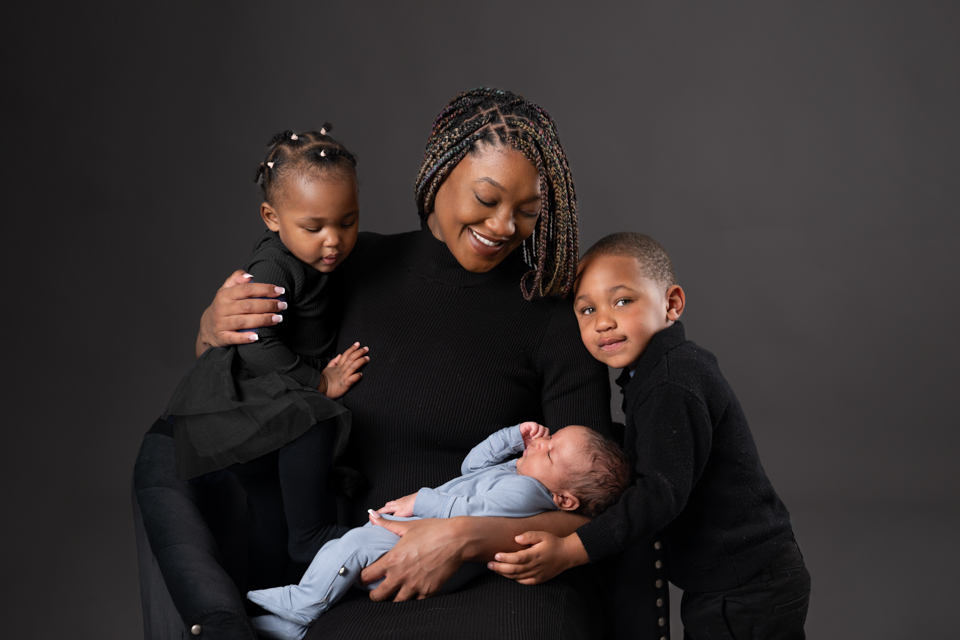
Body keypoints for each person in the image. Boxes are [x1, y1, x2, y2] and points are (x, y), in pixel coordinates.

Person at [133, 88, 664, 640]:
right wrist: (211, 333)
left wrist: (463, 539)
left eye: (527, 211)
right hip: (361, 573)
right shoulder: (347, 268)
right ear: (439, 175)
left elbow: (592, 510)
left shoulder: (554, 312)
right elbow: (255, 392)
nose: (505, 225)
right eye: (487, 198)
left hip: (504, 578)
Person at [489, 232, 811, 639]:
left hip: (747, 586)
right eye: (586, 309)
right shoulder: (660, 372)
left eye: (622, 301)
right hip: (736, 578)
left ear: (671, 304)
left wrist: (571, 550)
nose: (603, 320)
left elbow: (658, 496)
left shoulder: (671, 383)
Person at [161, 127, 370, 581]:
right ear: (272, 217)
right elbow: (258, 348)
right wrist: (321, 382)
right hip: (250, 397)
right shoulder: (274, 267)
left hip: (265, 404)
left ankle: (265, 602)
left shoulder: (330, 258)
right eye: (313, 227)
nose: (333, 240)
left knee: (271, 520)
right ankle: (311, 535)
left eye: (347, 221)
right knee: (312, 419)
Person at [247, 422, 630, 639]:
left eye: (549, 451)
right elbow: (472, 466)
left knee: (354, 544)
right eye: (551, 435)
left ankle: (305, 602)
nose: (541, 443)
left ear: (564, 500)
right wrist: (512, 438)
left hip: (434, 545)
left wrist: (419, 502)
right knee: (350, 545)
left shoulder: (525, 492)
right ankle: (295, 626)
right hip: (425, 532)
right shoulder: (519, 471)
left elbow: (468, 511)